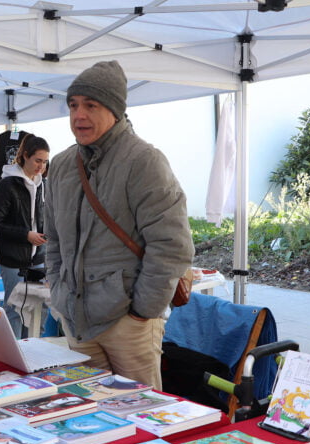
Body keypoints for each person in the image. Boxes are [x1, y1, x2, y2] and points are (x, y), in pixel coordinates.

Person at [44, 60, 194, 391]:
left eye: (90, 105)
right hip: (76, 321)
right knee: (89, 417)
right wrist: (58, 290)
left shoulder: (144, 160)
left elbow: (172, 245)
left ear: (114, 110)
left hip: (128, 322)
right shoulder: (61, 165)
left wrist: (142, 311)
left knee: (141, 417)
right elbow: (52, 239)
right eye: (73, 105)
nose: (78, 115)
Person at [0, 134, 50, 338]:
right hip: (12, 258)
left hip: (38, 257)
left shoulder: (43, 185)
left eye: (45, 161)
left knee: (38, 309)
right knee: (15, 309)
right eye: (37, 160)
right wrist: (26, 235)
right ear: (24, 156)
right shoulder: (7, 185)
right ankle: (15, 357)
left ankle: (34, 353)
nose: (41, 166)